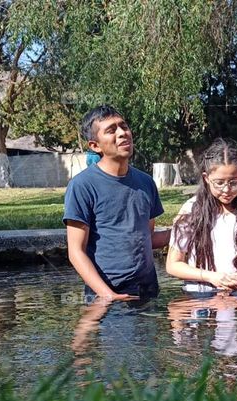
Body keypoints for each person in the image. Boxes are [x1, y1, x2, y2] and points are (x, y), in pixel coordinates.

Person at [63, 105, 169, 302]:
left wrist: (183, 232)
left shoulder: (146, 183)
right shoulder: (82, 186)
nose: (122, 133)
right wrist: (107, 295)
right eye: (111, 130)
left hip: (148, 291)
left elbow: (147, 238)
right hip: (108, 294)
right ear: (95, 146)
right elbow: (76, 251)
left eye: (124, 126)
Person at [166, 139, 237, 294]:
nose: (226, 190)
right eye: (219, 183)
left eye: (234, 183)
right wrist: (211, 277)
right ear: (206, 178)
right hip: (201, 294)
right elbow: (173, 264)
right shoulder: (190, 209)